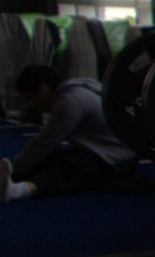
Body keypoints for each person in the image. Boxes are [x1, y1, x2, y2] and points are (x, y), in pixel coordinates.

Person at [3, 65, 138, 202]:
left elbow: (44, 143)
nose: (33, 104)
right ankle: (9, 181)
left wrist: (14, 168)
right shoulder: (78, 88)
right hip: (109, 153)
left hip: (118, 162)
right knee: (52, 158)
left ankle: (18, 191)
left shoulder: (69, 101)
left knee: (66, 168)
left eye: (31, 98)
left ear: (43, 89)